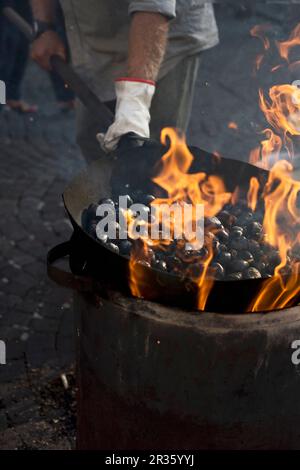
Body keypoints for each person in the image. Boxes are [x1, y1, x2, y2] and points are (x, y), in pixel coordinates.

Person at [30, 0, 219, 162]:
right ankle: (112, 201)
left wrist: (135, 103)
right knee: (91, 138)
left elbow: (152, 6)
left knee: (151, 155)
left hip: (166, 39)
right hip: (94, 40)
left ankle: (147, 201)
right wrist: (44, 27)